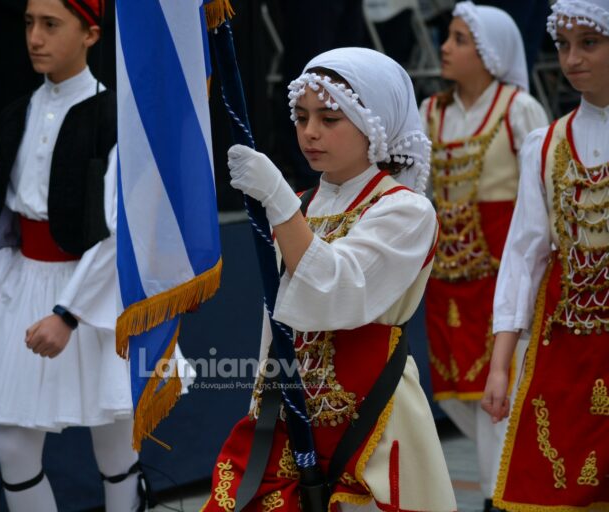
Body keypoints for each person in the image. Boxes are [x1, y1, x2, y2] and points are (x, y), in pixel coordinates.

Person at [201, 48, 456, 512]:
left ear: (374, 125)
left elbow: (338, 291)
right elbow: (275, 323)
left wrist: (278, 201)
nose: (310, 132)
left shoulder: (406, 210)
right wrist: (260, 402)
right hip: (290, 416)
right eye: (301, 117)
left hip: (370, 419)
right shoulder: (301, 204)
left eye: (329, 118)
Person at [0, 1, 146, 510]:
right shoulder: (13, 117)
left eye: (51, 24)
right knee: (14, 449)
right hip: (26, 286)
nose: (35, 37)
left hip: (96, 293)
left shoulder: (113, 118)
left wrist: (69, 313)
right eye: (29, 23)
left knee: (116, 441)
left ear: (90, 34)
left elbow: (118, 231)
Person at [418, 3, 549, 510]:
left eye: (459, 39)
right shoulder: (432, 112)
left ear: (491, 52)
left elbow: (543, 194)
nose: (445, 47)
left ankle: (497, 497)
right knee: (453, 393)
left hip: (501, 275)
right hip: (447, 277)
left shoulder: (519, 109)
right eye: (448, 37)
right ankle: (514, 471)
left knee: (499, 389)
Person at [482, 0, 609, 510]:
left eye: (589, 43)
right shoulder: (547, 144)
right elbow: (524, 256)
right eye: (563, 45)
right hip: (565, 353)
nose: (572, 59)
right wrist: (500, 365)